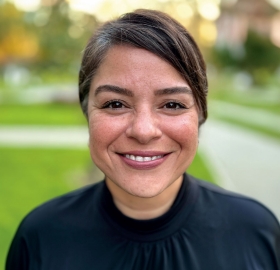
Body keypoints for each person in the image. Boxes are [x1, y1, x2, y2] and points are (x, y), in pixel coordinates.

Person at [6, 9, 280, 270]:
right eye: (115, 104)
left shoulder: (256, 233)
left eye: (172, 104)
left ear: (200, 115)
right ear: (86, 112)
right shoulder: (41, 237)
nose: (144, 130)